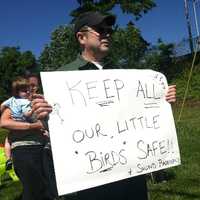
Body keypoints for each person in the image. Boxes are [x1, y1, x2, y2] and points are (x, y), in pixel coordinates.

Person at [32, 11, 176, 200]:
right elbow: (56, 129)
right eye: (100, 30)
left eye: (109, 30)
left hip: (131, 174)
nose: (107, 34)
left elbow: (140, 118)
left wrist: (163, 103)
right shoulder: (62, 77)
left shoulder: (125, 75)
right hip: (92, 180)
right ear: (81, 37)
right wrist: (43, 117)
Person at [0, 74, 54, 200]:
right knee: (33, 189)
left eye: (35, 86)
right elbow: (4, 123)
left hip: (43, 147)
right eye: (29, 85)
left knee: (47, 187)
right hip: (24, 149)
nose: (32, 89)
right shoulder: (14, 103)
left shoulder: (40, 101)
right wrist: (34, 126)